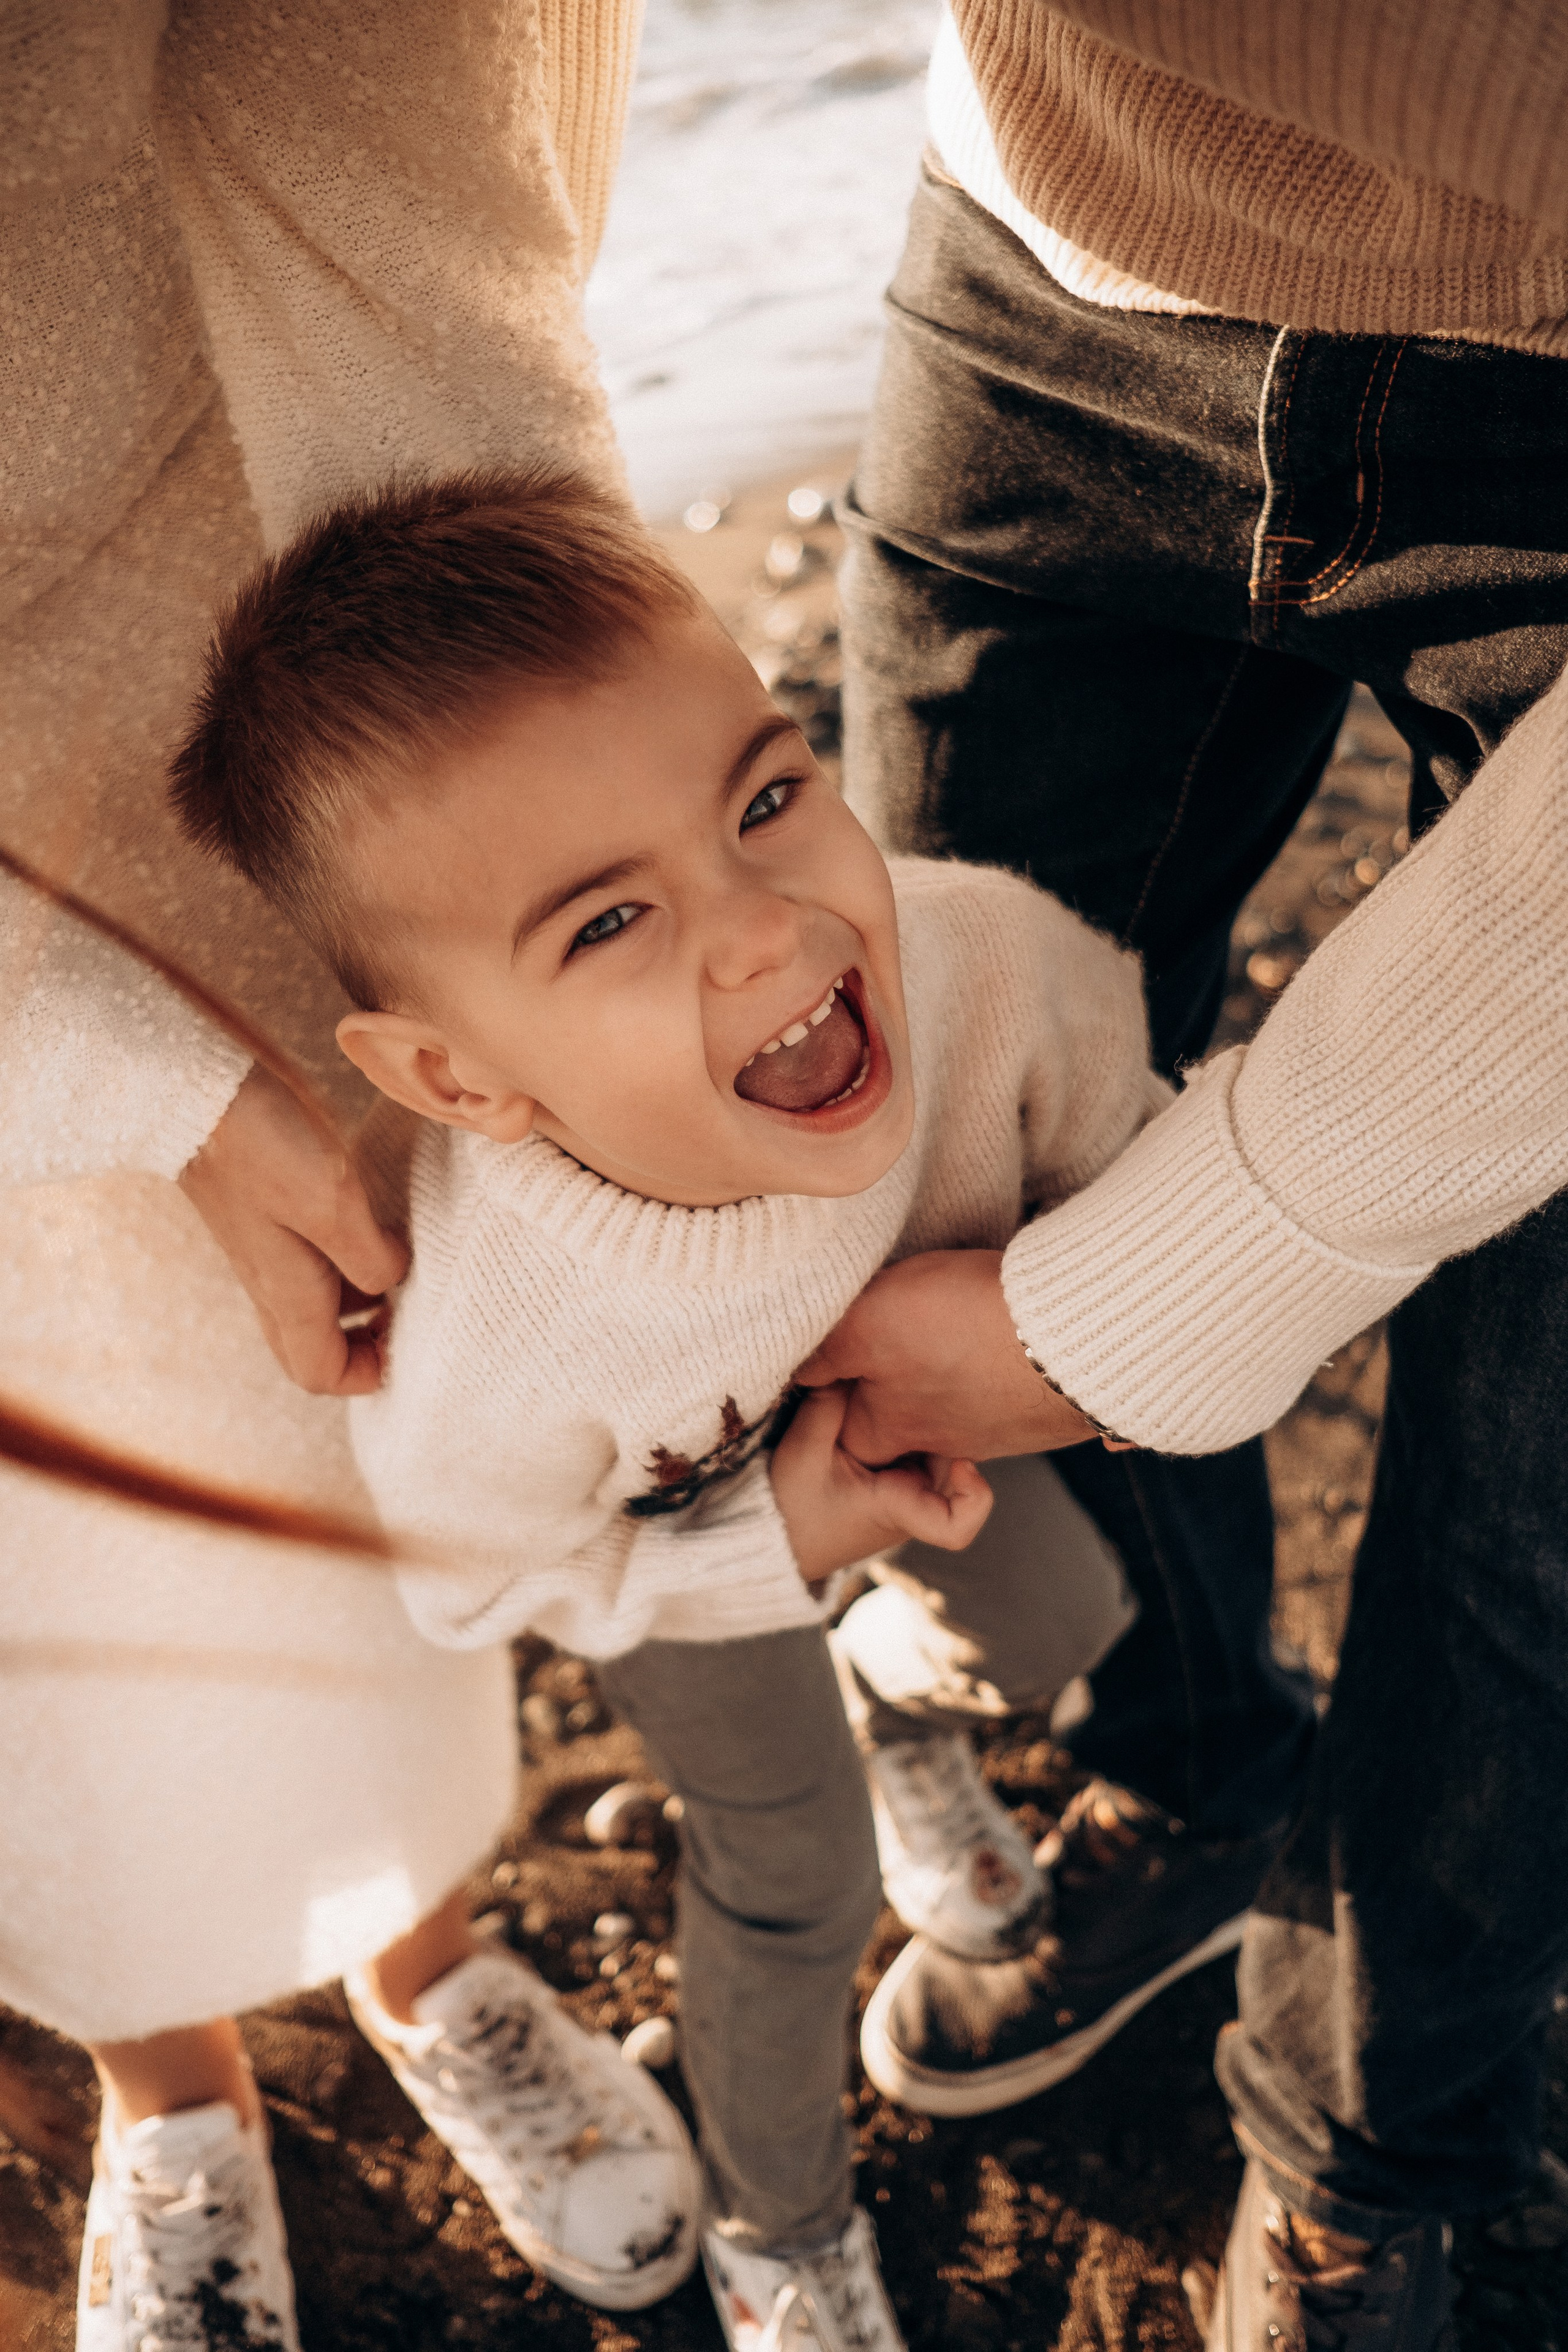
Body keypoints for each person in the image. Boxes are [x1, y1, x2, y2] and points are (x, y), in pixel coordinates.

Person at [167, 462, 1170, 2352]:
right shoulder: (494, 1330)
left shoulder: (970, 963)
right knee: (785, 1873)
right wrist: (765, 1543)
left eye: (770, 802)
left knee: (1060, 1629)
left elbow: (1128, 1111)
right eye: (606, 928)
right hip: (672, 1562)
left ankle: (906, 1696)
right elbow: (475, 1585)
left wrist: (1104, 1303)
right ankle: (781, 2231)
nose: (769, 933)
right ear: (455, 1077)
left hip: (930, 1406)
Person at [807, 4, 1568, 2345]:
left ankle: (1369, 2154)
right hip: (1047, 259)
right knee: (922, 1144)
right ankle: (1190, 1760)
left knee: (1536, 1467)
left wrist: (1147, 1300)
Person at [0, 6, 712, 2348]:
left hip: (258, 705)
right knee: (44, 1605)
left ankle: (427, 1951)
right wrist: (133, 1090)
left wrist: (572, 857)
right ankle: (166, 2095)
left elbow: (413, 203)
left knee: (361, 1449)